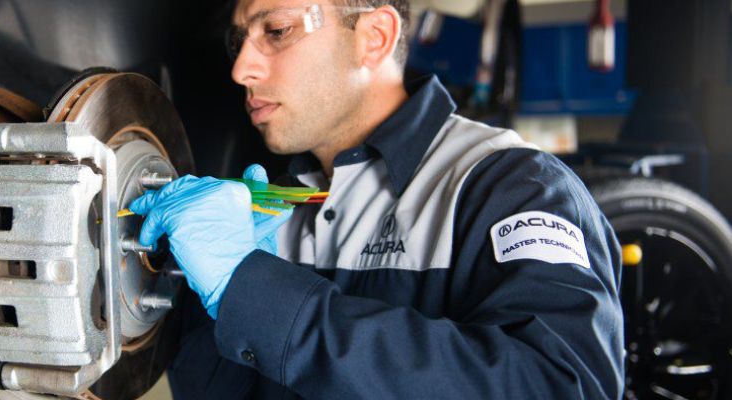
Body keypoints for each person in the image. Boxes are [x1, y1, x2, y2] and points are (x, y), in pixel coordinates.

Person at [128, 0, 625, 398]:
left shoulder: (510, 187)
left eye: (275, 31)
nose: (240, 69)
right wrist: (200, 303)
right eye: (239, 40)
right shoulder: (277, 204)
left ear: (375, 37)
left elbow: (562, 385)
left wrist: (255, 292)